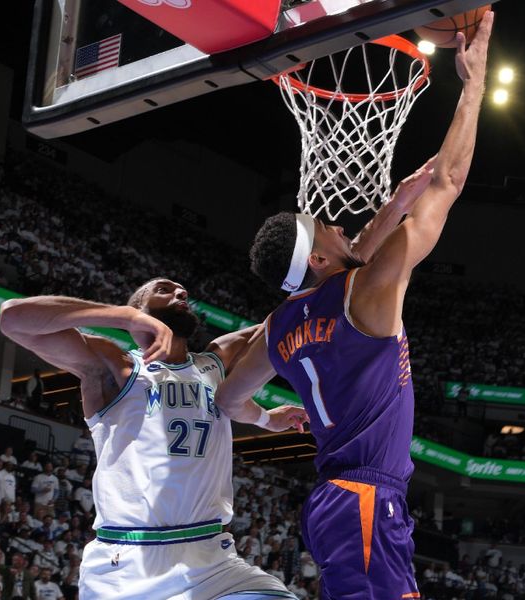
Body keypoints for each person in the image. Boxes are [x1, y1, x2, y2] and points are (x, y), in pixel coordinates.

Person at [214, 13, 494, 600]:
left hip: (341, 503)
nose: (340, 226)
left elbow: (228, 398)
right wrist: (473, 86)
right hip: (364, 501)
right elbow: (451, 181)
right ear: (316, 261)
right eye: (327, 231)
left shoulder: (279, 326)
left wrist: (268, 418)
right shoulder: (362, 293)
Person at [0, 278, 307, 600]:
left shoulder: (213, 362)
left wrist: (266, 418)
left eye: (183, 291)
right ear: (138, 310)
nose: (180, 292)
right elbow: (13, 318)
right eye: (164, 289)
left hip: (211, 560)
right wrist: (122, 317)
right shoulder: (116, 366)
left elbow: (286, 321)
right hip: (127, 564)